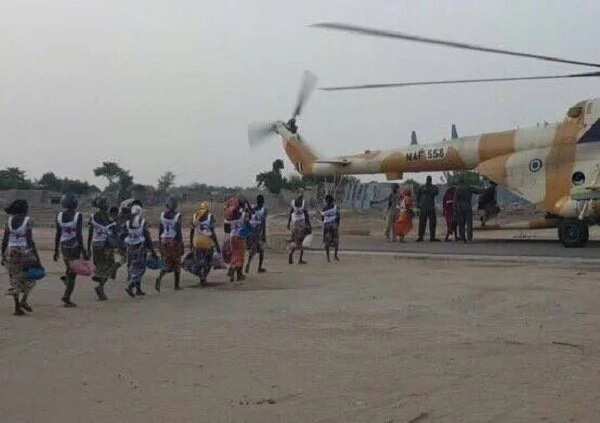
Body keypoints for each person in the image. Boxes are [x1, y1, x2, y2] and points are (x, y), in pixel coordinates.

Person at [1, 200, 40, 316]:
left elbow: (4, 241)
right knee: (31, 277)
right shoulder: (27, 221)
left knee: (14, 281)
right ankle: (24, 300)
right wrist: (37, 258)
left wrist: (2, 255)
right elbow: (30, 241)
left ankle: (17, 307)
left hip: (11, 253)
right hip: (24, 253)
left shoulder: (8, 221)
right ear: (25, 209)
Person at [54, 193, 87, 308]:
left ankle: (66, 280)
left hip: (64, 247)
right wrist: (83, 250)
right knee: (73, 273)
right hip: (75, 247)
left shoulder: (59, 215)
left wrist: (55, 250)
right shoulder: (78, 215)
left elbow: (58, 234)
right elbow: (78, 234)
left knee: (70, 269)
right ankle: (66, 297)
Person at [87, 197, 118, 301]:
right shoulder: (108, 217)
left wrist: (88, 248)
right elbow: (112, 231)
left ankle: (99, 275)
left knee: (101, 264)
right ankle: (100, 285)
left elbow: (90, 233)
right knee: (109, 266)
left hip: (95, 244)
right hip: (105, 244)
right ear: (105, 205)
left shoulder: (93, 217)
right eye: (107, 203)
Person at [124, 204, 157, 297]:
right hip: (140, 247)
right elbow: (147, 237)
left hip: (130, 247)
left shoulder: (127, 222)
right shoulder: (142, 222)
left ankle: (138, 289)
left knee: (134, 267)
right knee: (141, 269)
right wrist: (152, 251)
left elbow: (124, 235)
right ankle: (131, 286)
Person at [155, 197, 184, 292]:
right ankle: (176, 285)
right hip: (174, 242)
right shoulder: (177, 216)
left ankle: (160, 277)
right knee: (177, 263)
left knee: (167, 263)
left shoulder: (162, 215)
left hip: (164, 241)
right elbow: (178, 231)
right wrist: (181, 243)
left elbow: (160, 230)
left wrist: (160, 242)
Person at [189, 201, 220, 285]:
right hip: (207, 242)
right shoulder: (210, 216)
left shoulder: (195, 216)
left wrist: (191, 243)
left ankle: (201, 277)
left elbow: (191, 231)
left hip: (197, 242)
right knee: (208, 261)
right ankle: (204, 277)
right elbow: (212, 233)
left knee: (199, 261)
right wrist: (217, 246)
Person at [227, 197, 249, 281]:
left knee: (234, 254)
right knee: (240, 256)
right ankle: (238, 274)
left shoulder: (231, 214)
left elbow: (228, 226)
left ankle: (232, 269)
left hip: (232, 236)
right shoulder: (244, 214)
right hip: (241, 236)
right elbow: (247, 224)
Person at [246, 194, 268, 274]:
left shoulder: (252, 209)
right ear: (263, 202)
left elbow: (247, 220)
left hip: (251, 232)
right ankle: (258, 267)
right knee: (260, 251)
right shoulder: (264, 210)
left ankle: (249, 264)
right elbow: (263, 223)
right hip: (258, 233)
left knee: (255, 250)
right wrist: (264, 235)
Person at [287, 192, 311, 264]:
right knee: (301, 243)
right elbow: (306, 215)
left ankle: (291, 254)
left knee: (295, 241)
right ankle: (298, 258)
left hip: (294, 225)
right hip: (301, 226)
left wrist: (288, 223)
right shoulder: (303, 205)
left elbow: (290, 214)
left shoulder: (293, 205)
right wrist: (309, 224)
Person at [416, 176, 440, 242]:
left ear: (430, 180)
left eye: (429, 180)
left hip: (431, 207)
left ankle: (432, 237)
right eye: (428, 180)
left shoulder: (433, 187)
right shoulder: (421, 187)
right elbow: (417, 196)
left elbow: (436, 192)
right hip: (423, 207)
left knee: (432, 223)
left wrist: (429, 190)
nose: (428, 181)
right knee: (422, 223)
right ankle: (421, 237)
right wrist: (418, 204)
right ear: (426, 180)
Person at [321, 194, 340, 262]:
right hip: (334, 225)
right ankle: (335, 256)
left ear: (326, 201)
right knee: (336, 239)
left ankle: (328, 258)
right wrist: (337, 225)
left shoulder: (324, 208)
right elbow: (338, 217)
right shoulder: (335, 207)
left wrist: (325, 220)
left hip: (326, 226)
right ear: (332, 200)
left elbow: (322, 218)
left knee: (326, 240)